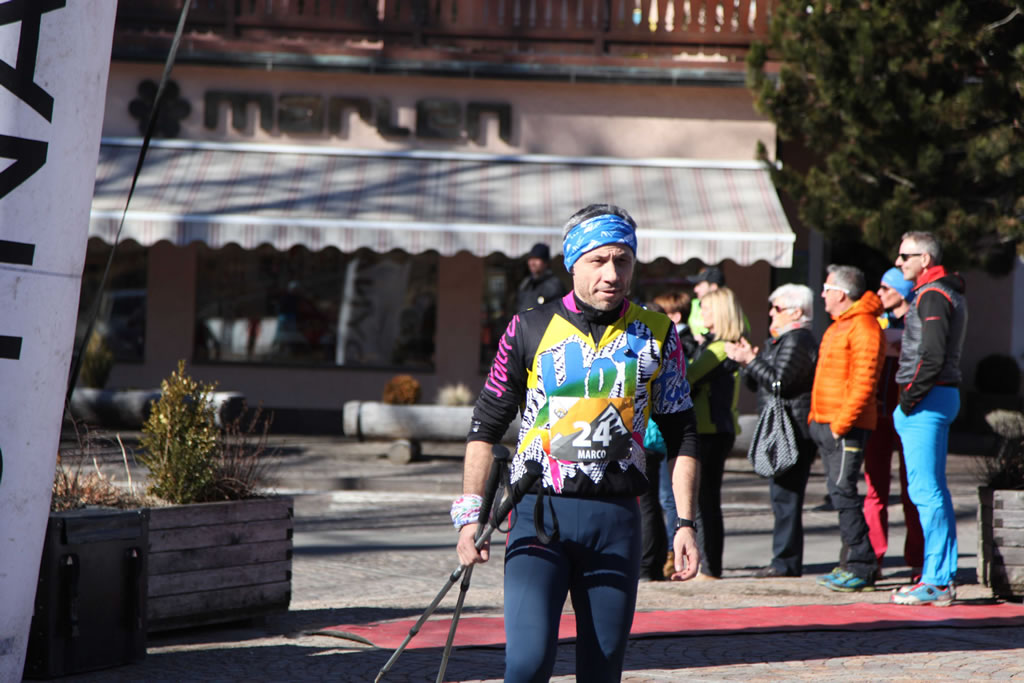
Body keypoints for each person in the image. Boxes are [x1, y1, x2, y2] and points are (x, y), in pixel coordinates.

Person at [454, 204, 701, 682]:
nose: (612, 274)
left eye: (623, 261)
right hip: (538, 514)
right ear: (572, 262)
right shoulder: (528, 327)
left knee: (602, 671)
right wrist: (469, 517)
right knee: (526, 666)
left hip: (616, 520)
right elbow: (485, 427)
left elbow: (683, 436)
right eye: (598, 260)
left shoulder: (658, 333)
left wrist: (685, 524)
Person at [890, 231, 967, 607]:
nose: (898, 262)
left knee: (926, 492)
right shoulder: (938, 292)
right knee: (933, 491)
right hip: (935, 397)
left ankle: (936, 580)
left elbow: (932, 356)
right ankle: (940, 577)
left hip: (927, 399)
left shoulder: (933, 294)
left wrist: (908, 399)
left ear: (925, 259)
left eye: (905, 256)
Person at [725, 284, 818, 578]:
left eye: (777, 308)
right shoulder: (781, 340)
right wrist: (748, 362)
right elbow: (759, 384)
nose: (771, 313)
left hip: (794, 429)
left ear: (797, 312)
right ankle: (784, 559)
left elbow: (780, 383)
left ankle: (785, 562)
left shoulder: (798, 339)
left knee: (786, 498)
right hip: (783, 426)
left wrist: (752, 361)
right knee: (781, 497)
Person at [809, 264, 885, 593]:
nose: (822, 295)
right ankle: (850, 563)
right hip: (826, 423)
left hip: (845, 428)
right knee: (840, 494)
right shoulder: (840, 325)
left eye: (827, 289)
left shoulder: (864, 326)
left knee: (844, 493)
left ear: (840, 293)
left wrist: (840, 425)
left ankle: (862, 566)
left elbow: (863, 383)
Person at [864, 268, 925, 582]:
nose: (879, 293)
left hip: (910, 414)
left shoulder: (919, 320)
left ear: (902, 292)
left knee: (913, 489)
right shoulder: (877, 322)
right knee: (874, 489)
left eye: (886, 288)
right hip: (877, 415)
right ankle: (873, 558)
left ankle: (917, 560)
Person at [686, 286, 744, 580]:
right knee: (706, 500)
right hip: (715, 429)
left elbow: (689, 377)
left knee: (704, 501)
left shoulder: (719, 348)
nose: (701, 314)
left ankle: (709, 567)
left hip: (710, 430)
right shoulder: (719, 344)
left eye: (706, 309)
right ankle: (709, 565)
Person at [516, 242, 565, 312]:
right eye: (530, 259)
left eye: (536, 259)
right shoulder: (526, 282)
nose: (532, 263)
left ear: (546, 262)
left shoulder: (554, 285)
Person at [686, 265, 725, 344]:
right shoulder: (694, 304)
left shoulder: (730, 309)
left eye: (699, 284)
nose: (695, 289)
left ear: (713, 287)